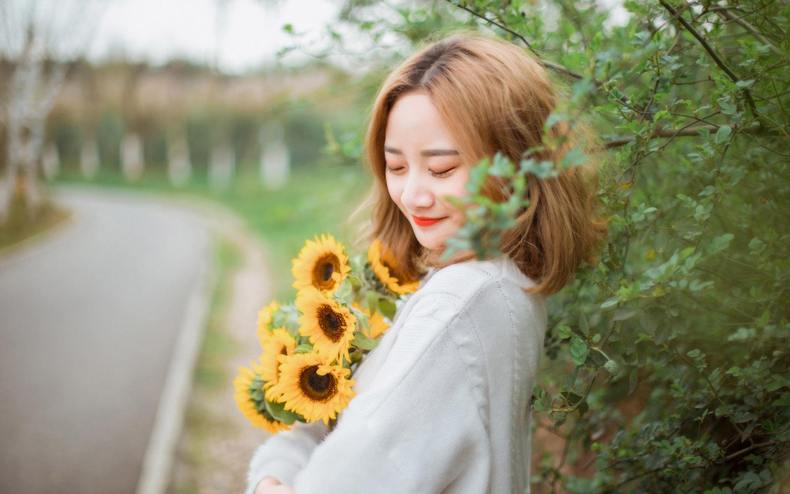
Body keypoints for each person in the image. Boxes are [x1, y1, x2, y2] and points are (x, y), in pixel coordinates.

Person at [245, 31, 607, 494]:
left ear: (514, 164)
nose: (413, 196)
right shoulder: (498, 285)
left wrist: (272, 476)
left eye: (442, 170)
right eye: (396, 167)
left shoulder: (457, 308)